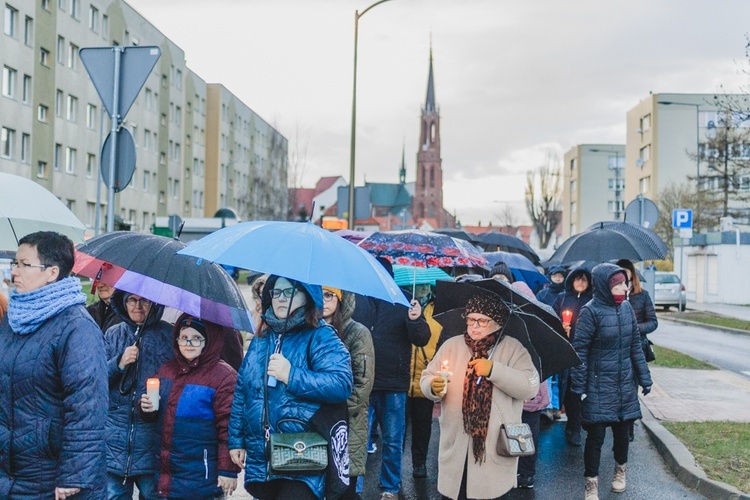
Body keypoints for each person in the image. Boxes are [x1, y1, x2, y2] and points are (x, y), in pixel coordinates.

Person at [0, 231, 108, 498]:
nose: (15, 271)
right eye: (15, 263)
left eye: (25, 264)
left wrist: (75, 475)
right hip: (10, 475)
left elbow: (87, 408)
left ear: (52, 272)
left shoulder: (76, 327)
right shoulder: (13, 321)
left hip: (52, 479)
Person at [228, 275, 353, 500]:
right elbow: (242, 392)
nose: (281, 298)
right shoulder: (262, 338)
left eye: (290, 292)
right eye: (276, 292)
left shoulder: (320, 335)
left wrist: (291, 375)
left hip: (301, 457)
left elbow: (341, 383)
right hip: (262, 459)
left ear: (307, 296)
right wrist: (237, 440)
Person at [420, 289, 539, 500]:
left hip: (492, 449)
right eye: (471, 319)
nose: (474, 326)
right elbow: (427, 377)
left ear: (497, 322)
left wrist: (494, 370)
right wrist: (433, 386)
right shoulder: (452, 345)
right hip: (455, 445)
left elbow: (529, 387)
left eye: (482, 321)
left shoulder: (513, 349)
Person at [571, 264, 653, 500]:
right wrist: (579, 387)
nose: (624, 289)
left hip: (624, 384)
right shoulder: (590, 311)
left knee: (622, 433)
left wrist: (645, 378)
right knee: (595, 437)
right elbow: (580, 352)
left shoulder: (627, 308)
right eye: (618, 285)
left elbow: (635, 347)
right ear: (606, 287)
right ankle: (591, 483)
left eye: (624, 284)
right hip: (597, 386)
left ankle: (620, 472)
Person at [140, 314, 240, 498]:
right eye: (184, 338)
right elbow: (156, 411)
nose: (189, 344)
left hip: (202, 477)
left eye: (196, 339)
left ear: (208, 341)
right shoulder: (167, 369)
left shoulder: (223, 377)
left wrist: (228, 470)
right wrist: (145, 407)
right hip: (166, 476)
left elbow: (230, 427)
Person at [366, 258, 430, 499]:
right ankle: (356, 485)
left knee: (393, 440)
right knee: (359, 440)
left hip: (394, 383)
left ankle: (390, 487)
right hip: (363, 381)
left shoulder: (404, 299)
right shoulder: (358, 297)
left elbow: (421, 338)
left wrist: (416, 319)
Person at [104, 291, 175, 499]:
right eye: (132, 300)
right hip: (114, 440)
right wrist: (119, 363)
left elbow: (177, 381)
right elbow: (96, 379)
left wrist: (157, 399)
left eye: (144, 300)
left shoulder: (168, 336)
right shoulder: (113, 334)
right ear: (123, 303)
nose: (138, 306)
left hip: (151, 439)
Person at [322, 286, 375, 499]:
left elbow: (362, 384)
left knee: (343, 490)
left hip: (347, 426)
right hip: (313, 427)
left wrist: (333, 414)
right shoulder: (306, 330)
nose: (323, 301)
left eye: (329, 295)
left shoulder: (357, 333)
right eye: (319, 294)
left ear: (340, 299)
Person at [616, 259, 658, 441]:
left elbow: (653, 322)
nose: (624, 277)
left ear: (632, 274)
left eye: (626, 272)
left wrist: (635, 328)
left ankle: (628, 425)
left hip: (635, 348)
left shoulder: (642, 296)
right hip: (614, 348)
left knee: (631, 389)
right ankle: (616, 421)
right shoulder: (612, 295)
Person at [552, 267, 593, 446]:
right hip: (567, 351)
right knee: (569, 390)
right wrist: (562, 328)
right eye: (577, 279)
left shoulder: (592, 301)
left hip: (586, 351)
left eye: (584, 279)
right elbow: (551, 319)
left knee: (581, 390)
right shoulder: (562, 299)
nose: (580, 283)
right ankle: (572, 426)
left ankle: (578, 426)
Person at [406, 282, 443, 480]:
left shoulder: (437, 310)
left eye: (425, 285)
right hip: (402, 377)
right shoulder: (403, 305)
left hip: (425, 374)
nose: (422, 288)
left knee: (422, 424)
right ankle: (392, 470)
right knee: (397, 429)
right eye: (418, 285)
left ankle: (419, 462)